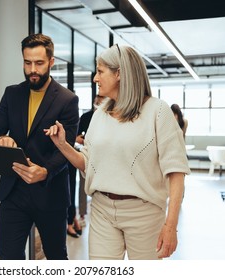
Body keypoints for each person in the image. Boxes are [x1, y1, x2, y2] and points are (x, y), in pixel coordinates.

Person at [45, 44, 190, 260]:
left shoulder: (157, 111)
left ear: (119, 73)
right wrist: (63, 144)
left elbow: (176, 171)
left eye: (100, 71)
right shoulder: (101, 113)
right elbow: (88, 162)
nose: (95, 78)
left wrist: (171, 225)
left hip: (144, 214)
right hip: (102, 210)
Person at [0, 33, 79, 260]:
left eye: (39, 63)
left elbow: (67, 150)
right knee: (8, 258)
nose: (32, 69)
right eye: (28, 63)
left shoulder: (67, 100)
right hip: (13, 192)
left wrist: (45, 171)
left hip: (50, 193)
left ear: (51, 62)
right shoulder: (12, 93)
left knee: (56, 257)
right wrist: (0, 140)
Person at [75, 94, 105, 227]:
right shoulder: (87, 117)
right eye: (98, 99)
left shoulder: (110, 116)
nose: (99, 101)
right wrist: (80, 139)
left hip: (105, 157)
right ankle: (82, 214)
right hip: (88, 155)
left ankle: (102, 214)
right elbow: (76, 135)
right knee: (83, 185)